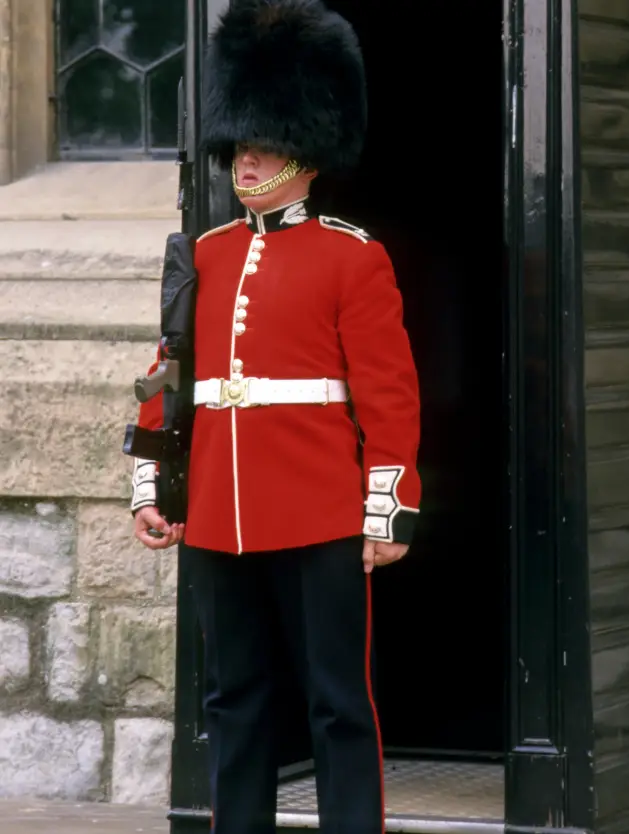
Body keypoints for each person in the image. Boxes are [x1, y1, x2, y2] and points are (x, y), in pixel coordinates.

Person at [126, 1, 420, 831]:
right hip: (219, 514)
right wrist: (151, 484)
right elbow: (167, 378)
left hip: (321, 513)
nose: (244, 161)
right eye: (239, 146)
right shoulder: (205, 254)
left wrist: (387, 507)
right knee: (235, 699)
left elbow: (388, 393)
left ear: (305, 153)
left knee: (337, 702)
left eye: (260, 146)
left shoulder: (353, 257)